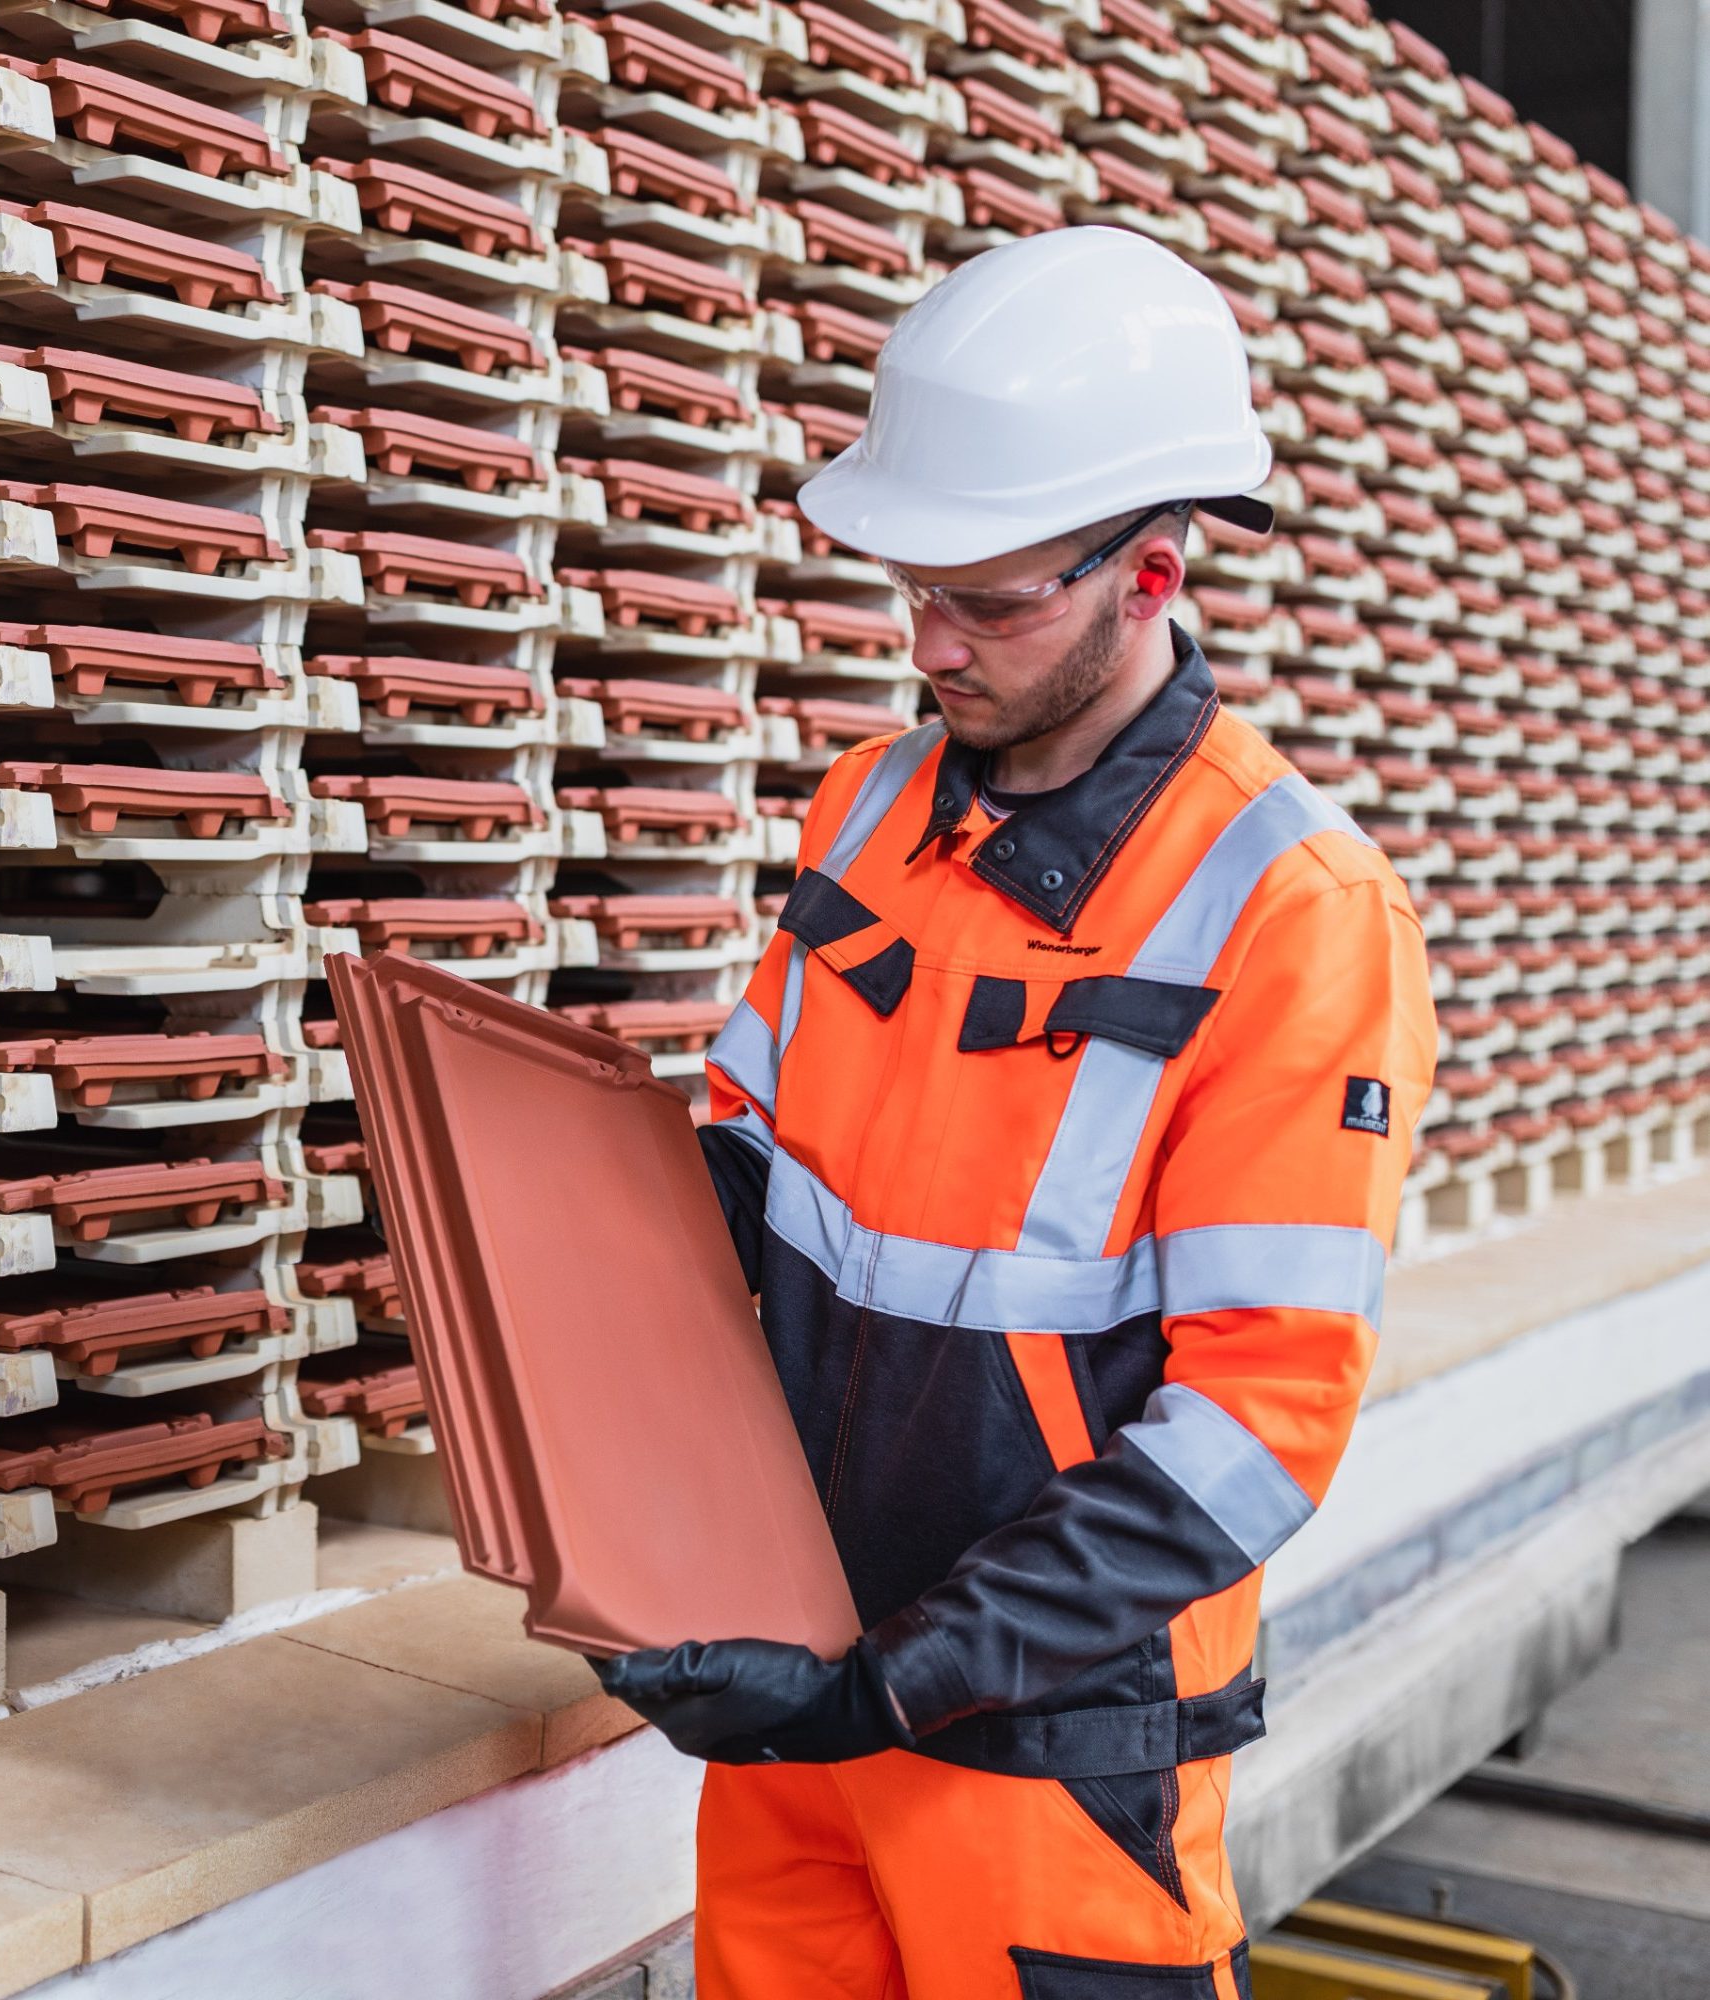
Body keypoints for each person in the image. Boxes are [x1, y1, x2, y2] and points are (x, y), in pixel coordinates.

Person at [596, 227, 1439, 1997]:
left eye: (989, 603)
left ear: (1147, 575)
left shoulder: (1291, 909)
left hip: (1048, 1749)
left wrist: (891, 1681)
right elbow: (747, 1166)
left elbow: (1254, 1427)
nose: (932, 647)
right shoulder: (866, 804)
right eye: (913, 593)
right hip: (796, 1692)